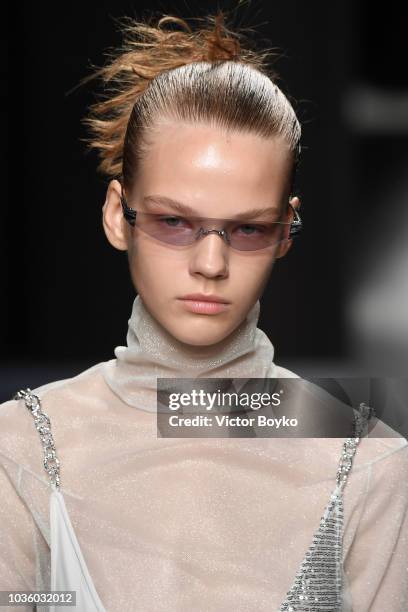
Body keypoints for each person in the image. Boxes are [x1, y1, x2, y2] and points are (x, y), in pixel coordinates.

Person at [1, 10, 407, 612]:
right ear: (119, 213)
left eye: (248, 229)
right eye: (173, 221)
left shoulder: (368, 460)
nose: (210, 263)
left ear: (287, 230)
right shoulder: (23, 451)